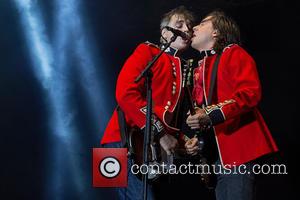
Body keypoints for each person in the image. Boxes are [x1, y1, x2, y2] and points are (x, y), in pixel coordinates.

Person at [101, 6, 195, 200]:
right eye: (180, 24)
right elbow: (125, 92)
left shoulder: (182, 66)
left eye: (189, 25)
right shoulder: (147, 50)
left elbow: (167, 115)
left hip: (149, 146)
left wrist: (181, 139)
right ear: (165, 32)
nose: (187, 29)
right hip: (121, 140)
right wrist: (160, 133)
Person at [185, 10, 278, 200]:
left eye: (202, 23)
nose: (194, 27)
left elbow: (249, 94)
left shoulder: (233, 52)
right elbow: (205, 111)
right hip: (217, 155)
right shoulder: (201, 66)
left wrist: (210, 115)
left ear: (216, 32)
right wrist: (196, 137)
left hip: (237, 147)